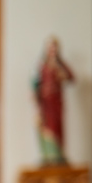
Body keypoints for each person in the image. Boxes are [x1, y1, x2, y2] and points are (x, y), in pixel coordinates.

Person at [33, 36, 75, 165]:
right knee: (46, 127)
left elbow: (71, 77)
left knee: (57, 127)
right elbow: (35, 83)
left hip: (56, 102)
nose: (52, 50)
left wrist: (61, 73)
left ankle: (58, 154)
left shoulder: (60, 65)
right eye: (50, 47)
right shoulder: (42, 65)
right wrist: (36, 95)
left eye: (54, 47)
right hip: (45, 103)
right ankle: (49, 155)